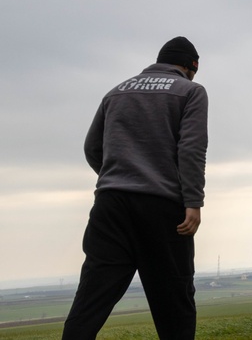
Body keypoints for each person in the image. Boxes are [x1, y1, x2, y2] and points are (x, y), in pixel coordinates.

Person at [62, 36, 208, 340]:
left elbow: (92, 147)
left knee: (92, 297)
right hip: (162, 207)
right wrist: (193, 202)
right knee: (174, 300)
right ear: (190, 66)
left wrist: (117, 178)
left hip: (110, 204)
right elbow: (191, 148)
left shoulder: (116, 91)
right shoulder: (190, 91)